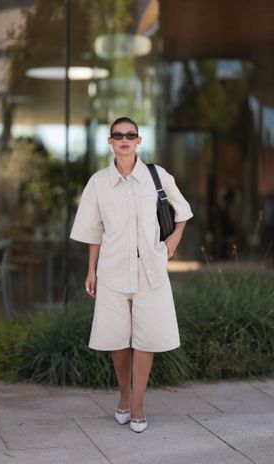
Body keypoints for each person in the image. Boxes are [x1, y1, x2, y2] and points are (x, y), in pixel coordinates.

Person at [70, 116, 193, 433]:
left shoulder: (157, 176)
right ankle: (124, 394)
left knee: (146, 339)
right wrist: (91, 270)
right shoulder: (98, 182)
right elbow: (94, 231)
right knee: (117, 339)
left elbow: (183, 212)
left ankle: (137, 404)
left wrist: (172, 242)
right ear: (110, 142)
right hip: (111, 271)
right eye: (118, 135)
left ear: (139, 141)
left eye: (130, 134)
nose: (124, 139)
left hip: (150, 270)